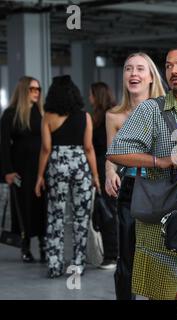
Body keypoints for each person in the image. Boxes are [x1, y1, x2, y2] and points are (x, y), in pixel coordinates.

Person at [107, 44, 177, 300]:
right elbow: (114, 152)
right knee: (156, 284)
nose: (174, 70)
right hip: (151, 202)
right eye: (169, 65)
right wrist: (162, 161)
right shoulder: (149, 110)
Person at [105, 52, 165, 300]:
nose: (134, 74)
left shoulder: (165, 110)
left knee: (159, 256)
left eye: (140, 69)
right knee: (127, 257)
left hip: (161, 188)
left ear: (151, 77)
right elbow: (111, 154)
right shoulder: (114, 115)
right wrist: (109, 173)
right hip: (130, 188)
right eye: (128, 69)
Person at [34, 75, 100, 278]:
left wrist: (39, 177)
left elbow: (45, 148)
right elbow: (89, 148)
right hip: (80, 164)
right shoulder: (85, 117)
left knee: (56, 216)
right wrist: (96, 176)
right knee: (81, 217)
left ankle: (54, 265)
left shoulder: (48, 117)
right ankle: (78, 264)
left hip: (57, 164)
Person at [0, 76, 47, 263]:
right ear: (23, 90)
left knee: (42, 205)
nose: (36, 92)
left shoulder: (41, 113)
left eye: (38, 89)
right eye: (32, 89)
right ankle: (25, 245)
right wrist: (7, 171)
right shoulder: (10, 114)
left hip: (41, 168)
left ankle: (44, 243)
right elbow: (3, 145)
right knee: (23, 207)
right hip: (20, 168)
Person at [89, 82, 118, 269]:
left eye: (91, 95)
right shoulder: (111, 114)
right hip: (111, 167)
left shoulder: (103, 118)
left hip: (104, 167)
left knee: (106, 212)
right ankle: (113, 253)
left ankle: (111, 255)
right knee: (110, 211)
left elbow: (93, 147)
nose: (89, 98)